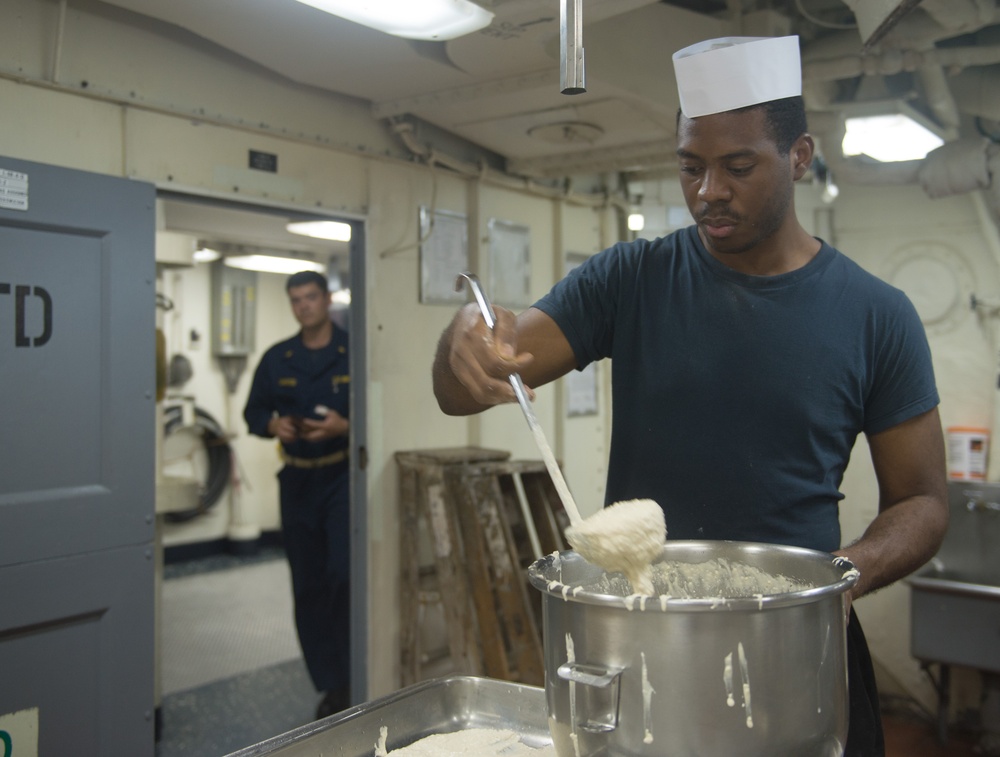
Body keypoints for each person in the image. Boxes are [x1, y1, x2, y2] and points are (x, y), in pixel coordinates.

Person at [432, 36, 948, 756]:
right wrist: (461, 344)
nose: (708, 191)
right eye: (690, 166)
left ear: (799, 156)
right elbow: (474, 383)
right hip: (642, 644)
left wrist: (836, 580)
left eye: (738, 166)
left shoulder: (875, 315)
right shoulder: (630, 281)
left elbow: (923, 501)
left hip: (798, 643)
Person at [244, 270, 351, 720]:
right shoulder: (278, 358)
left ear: (326, 300)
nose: (304, 306)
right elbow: (253, 412)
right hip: (298, 481)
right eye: (296, 300)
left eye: (310, 297)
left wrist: (345, 426)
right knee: (307, 585)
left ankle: (353, 674)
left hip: (341, 478)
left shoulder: (352, 352)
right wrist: (274, 424)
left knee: (342, 577)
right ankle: (330, 683)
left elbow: (373, 411)